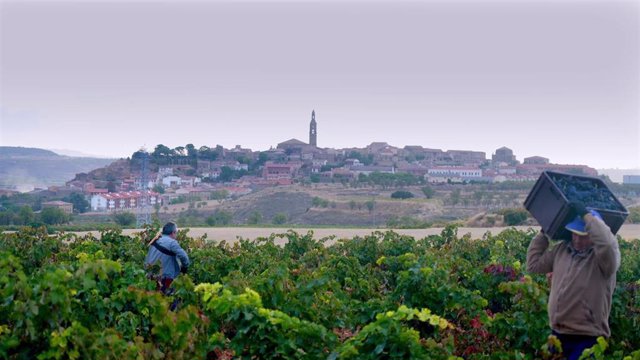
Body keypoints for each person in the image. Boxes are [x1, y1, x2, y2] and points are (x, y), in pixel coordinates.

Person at [527, 203, 620, 360]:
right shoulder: (562, 250)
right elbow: (533, 265)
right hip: (557, 333)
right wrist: (543, 233)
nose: (576, 239)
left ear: (593, 234)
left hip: (589, 337)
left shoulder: (604, 260)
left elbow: (608, 244)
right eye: (574, 233)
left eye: (582, 235)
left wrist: (587, 216)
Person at [145, 222, 190, 295]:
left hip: (150, 277)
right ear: (173, 232)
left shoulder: (155, 240)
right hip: (165, 278)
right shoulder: (172, 243)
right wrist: (184, 268)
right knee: (168, 301)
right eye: (176, 233)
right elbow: (184, 257)